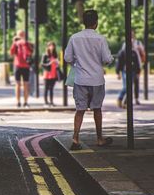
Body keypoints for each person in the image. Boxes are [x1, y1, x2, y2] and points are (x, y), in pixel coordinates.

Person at [64, 9, 114, 150]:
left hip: (80, 79)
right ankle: (99, 139)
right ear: (96, 23)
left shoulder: (74, 38)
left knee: (80, 110)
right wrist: (109, 59)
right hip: (97, 80)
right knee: (97, 109)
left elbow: (67, 58)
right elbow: (106, 59)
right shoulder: (100, 39)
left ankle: (75, 138)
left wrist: (77, 62)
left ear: (83, 22)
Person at [121, 30, 145, 105]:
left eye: (132, 34)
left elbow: (143, 53)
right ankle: (126, 99)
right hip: (127, 66)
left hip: (136, 65)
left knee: (136, 82)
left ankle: (136, 98)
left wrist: (138, 49)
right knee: (128, 84)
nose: (131, 36)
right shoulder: (125, 44)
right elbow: (122, 55)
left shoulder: (138, 43)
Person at [10, 30, 33, 108]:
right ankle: (18, 102)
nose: (21, 36)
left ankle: (26, 102)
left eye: (22, 34)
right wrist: (14, 42)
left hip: (26, 66)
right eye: (19, 35)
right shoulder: (15, 44)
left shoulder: (27, 43)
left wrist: (25, 44)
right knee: (18, 84)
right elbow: (12, 52)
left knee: (26, 84)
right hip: (18, 66)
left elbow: (30, 52)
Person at [41, 41, 59, 107]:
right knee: (46, 89)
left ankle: (51, 102)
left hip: (53, 74)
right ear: (48, 47)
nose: (52, 47)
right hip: (47, 74)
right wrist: (50, 63)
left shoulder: (55, 55)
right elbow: (42, 64)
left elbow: (57, 64)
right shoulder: (45, 55)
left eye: (53, 46)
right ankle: (46, 102)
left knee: (51, 89)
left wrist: (57, 63)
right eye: (50, 46)